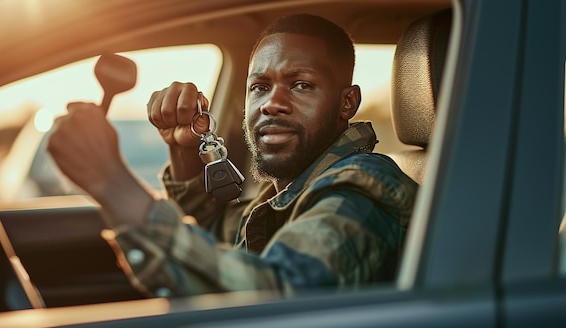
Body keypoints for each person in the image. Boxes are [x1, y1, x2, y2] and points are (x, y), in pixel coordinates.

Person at [47, 13, 418, 297]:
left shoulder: (364, 189)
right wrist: (183, 149)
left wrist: (113, 183)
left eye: (301, 85)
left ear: (347, 102)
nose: (272, 104)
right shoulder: (290, 191)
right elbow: (217, 242)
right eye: (259, 87)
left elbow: (276, 301)